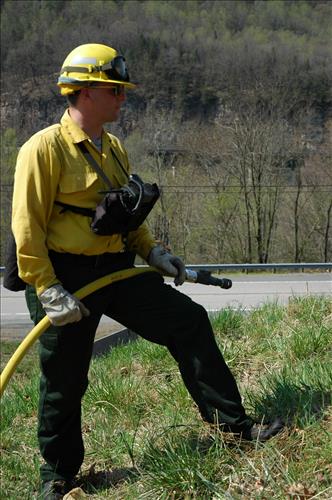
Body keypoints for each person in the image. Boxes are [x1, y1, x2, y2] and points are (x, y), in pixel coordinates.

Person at [11, 43, 283, 499]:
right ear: (85, 92)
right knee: (65, 377)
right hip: (66, 280)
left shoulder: (113, 148)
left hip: (116, 272)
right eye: (115, 90)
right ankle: (58, 477)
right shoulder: (43, 149)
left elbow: (125, 213)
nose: (123, 98)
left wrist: (153, 253)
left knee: (188, 322)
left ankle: (233, 427)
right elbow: (26, 228)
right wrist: (49, 289)